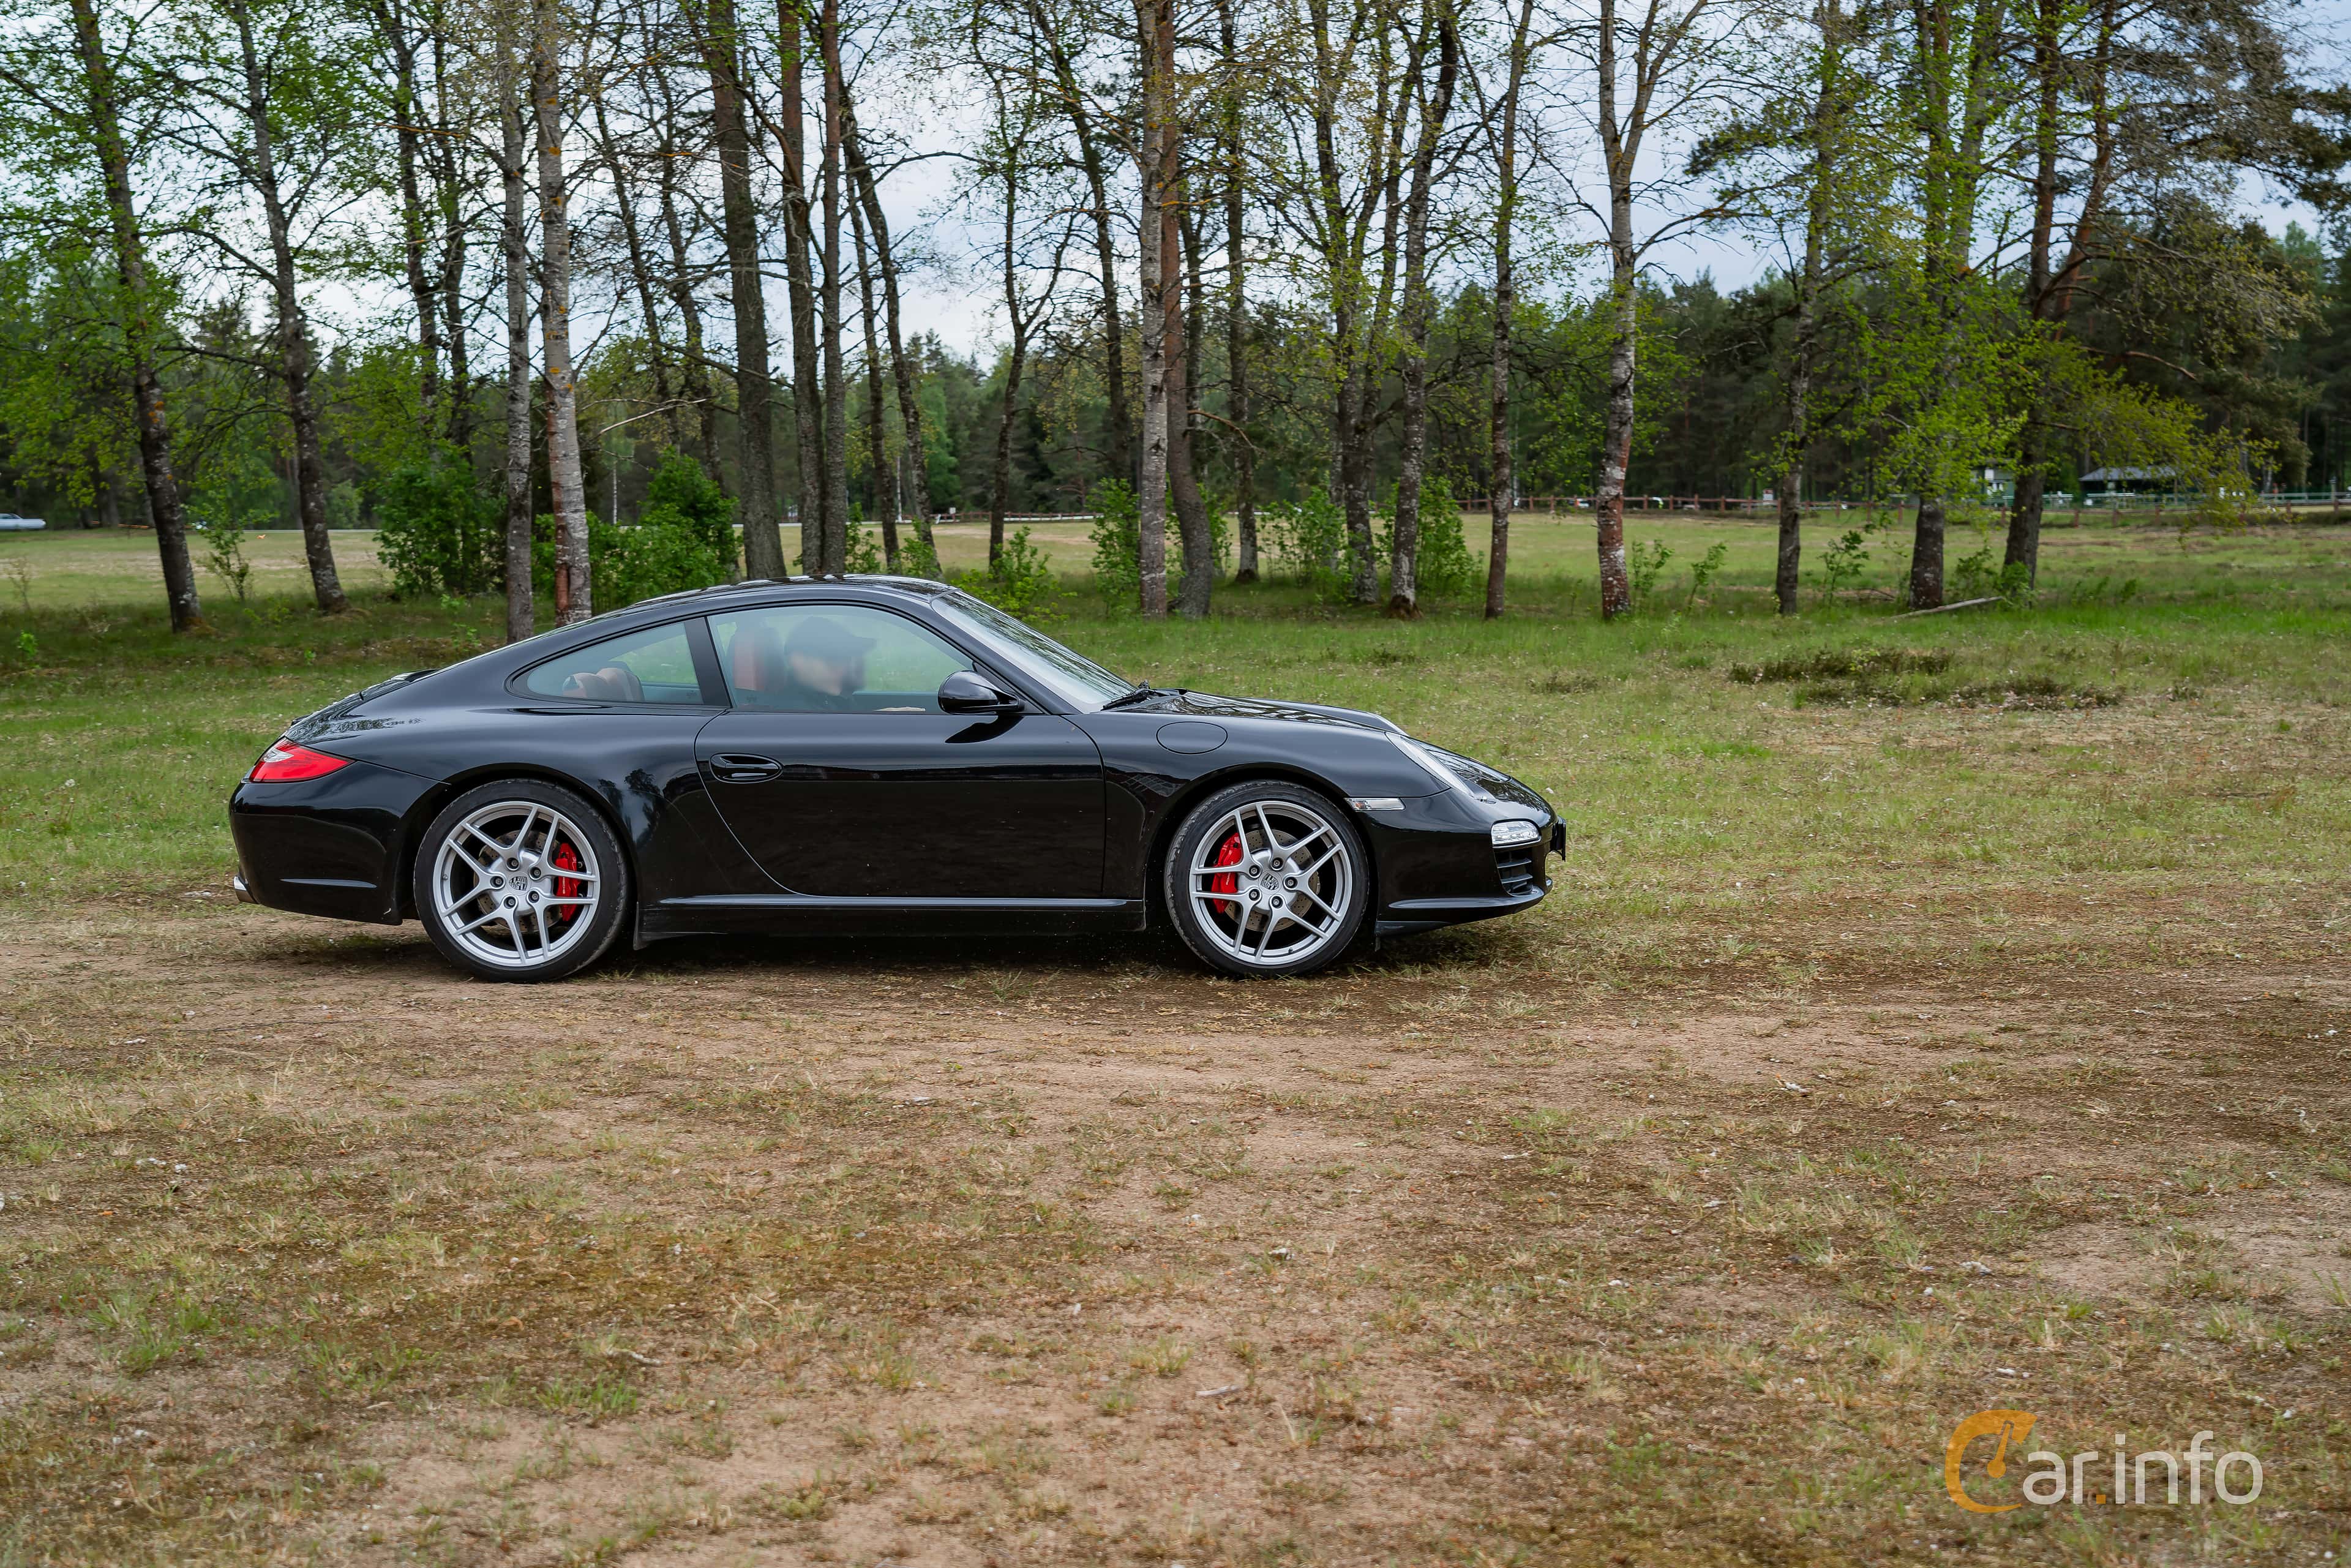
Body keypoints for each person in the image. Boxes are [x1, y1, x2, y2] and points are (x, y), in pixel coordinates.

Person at [735, 615, 875, 711]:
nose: (843, 668)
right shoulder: (795, 713)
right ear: (798, 661)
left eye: (846, 659)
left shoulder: (824, 696)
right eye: (834, 659)